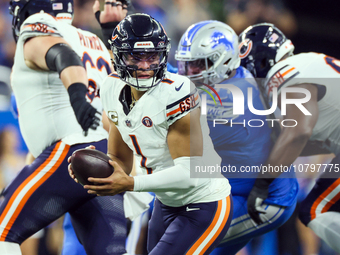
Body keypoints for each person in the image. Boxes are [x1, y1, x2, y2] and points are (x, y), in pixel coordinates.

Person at [69, 13, 233, 255]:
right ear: (119, 56)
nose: (145, 65)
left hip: (204, 203)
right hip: (165, 204)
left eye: (152, 56)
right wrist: (97, 172)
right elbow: (120, 161)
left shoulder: (177, 92)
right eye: (135, 56)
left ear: (163, 55)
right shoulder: (112, 87)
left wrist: (132, 183)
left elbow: (190, 173)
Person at [0, 0, 128, 254]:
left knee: (3, 233)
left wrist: (77, 95)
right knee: (110, 251)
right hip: (105, 156)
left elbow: (63, 55)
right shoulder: (94, 41)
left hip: (71, 151)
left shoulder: (39, 27)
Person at [174, 20, 298, 255]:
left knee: (183, 238)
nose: (188, 72)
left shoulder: (234, 101)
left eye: (198, 65)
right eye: (187, 64)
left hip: (268, 198)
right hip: (239, 187)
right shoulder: (233, 78)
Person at [239, 22, 340, 253]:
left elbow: (299, 130)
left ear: (261, 62)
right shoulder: (306, 63)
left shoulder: (284, 74)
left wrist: (262, 184)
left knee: (316, 211)